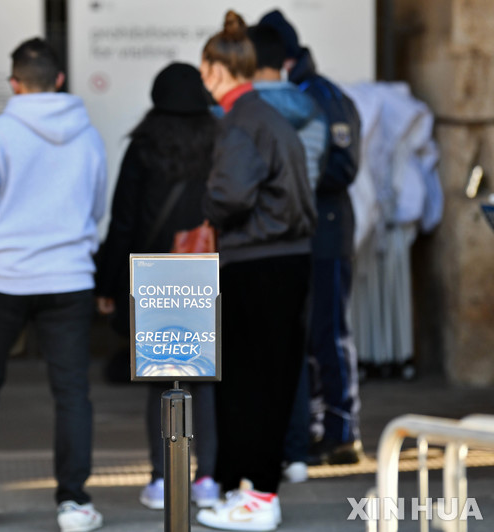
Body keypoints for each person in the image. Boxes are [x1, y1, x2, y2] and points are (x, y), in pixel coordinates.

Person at [0, 38, 107, 532]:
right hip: (70, 277)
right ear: (60, 79)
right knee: (71, 393)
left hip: (5, 277)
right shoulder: (89, 135)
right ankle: (73, 503)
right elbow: (97, 211)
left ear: (14, 83)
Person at [195, 11, 316, 531]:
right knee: (267, 377)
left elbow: (230, 196)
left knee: (251, 382)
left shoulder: (240, 121)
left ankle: (257, 496)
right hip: (284, 256)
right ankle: (253, 490)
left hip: (257, 260)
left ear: (214, 69)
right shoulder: (267, 116)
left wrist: (209, 209)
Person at [95, 62, 220, 510]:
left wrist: (109, 282)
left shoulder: (144, 147)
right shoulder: (220, 142)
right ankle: (206, 478)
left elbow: (124, 222)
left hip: (155, 270)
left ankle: (163, 478)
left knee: (161, 380)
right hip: (207, 267)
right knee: (204, 380)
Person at [258, 9, 364, 466]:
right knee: (294, 338)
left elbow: (343, 166)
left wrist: (287, 175)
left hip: (325, 233)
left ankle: (342, 432)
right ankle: (309, 431)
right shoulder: (282, 96)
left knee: (328, 335)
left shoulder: (322, 97)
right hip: (292, 234)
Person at [246, 23, 329, 484]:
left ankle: (258, 455)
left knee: (247, 357)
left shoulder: (236, 114)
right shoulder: (312, 113)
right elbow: (312, 177)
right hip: (298, 241)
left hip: (247, 245)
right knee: (291, 352)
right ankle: (296, 452)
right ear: (286, 63)